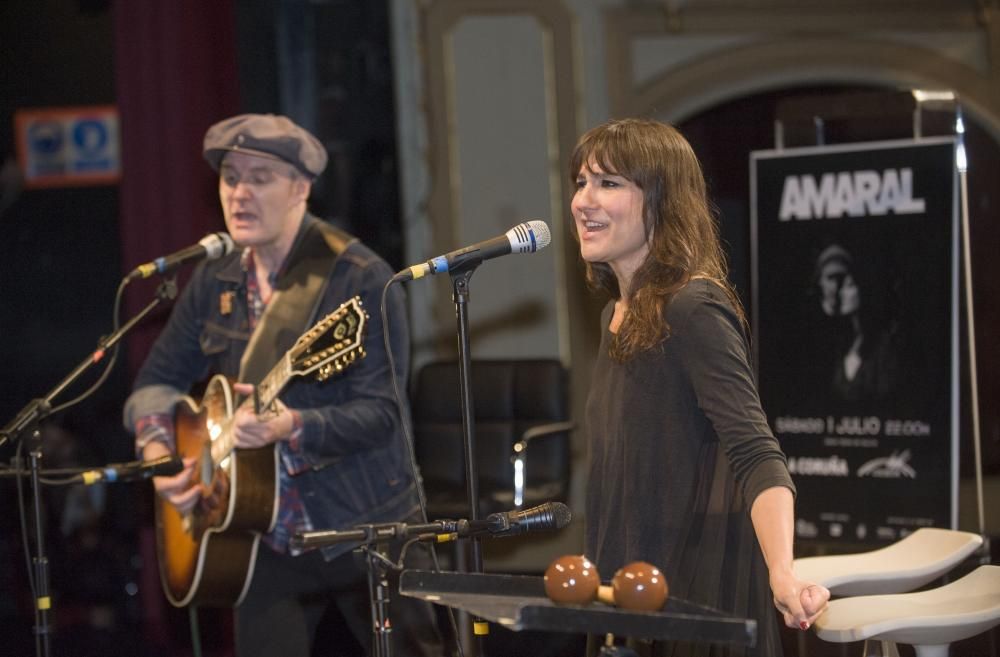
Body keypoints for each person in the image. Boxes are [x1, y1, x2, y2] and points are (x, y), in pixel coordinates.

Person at [123, 114, 442, 657]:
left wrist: (293, 425)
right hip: (259, 529)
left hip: (363, 520)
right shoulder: (215, 278)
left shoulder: (359, 276)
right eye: (230, 177)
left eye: (260, 177)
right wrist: (161, 455)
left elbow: (382, 412)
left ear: (301, 188)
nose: (240, 193)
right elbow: (154, 381)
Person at [570, 118, 829, 656]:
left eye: (609, 183)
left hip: (691, 599)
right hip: (627, 592)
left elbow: (757, 452)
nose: (584, 201)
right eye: (580, 182)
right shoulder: (614, 316)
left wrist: (782, 573)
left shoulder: (693, 307)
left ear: (662, 201)